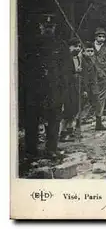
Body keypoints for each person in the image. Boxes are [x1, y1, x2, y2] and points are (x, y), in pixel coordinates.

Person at [22, 13, 64, 160]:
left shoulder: (60, 45)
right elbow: (22, 68)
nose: (48, 29)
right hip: (35, 90)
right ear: (40, 27)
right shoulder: (30, 45)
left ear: (55, 28)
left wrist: (63, 90)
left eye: (51, 27)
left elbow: (66, 69)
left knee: (54, 119)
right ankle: (31, 151)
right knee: (32, 120)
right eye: (45, 26)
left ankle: (51, 149)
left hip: (54, 90)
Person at [60, 37, 83, 142]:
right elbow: (65, 74)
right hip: (66, 87)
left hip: (74, 87)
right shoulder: (66, 58)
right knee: (67, 110)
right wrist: (75, 73)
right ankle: (63, 133)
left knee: (73, 109)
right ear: (70, 47)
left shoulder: (77, 58)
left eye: (79, 46)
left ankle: (70, 131)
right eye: (75, 46)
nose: (78, 49)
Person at [93, 28, 106, 131]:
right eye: (99, 36)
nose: (101, 39)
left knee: (102, 98)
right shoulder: (90, 47)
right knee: (89, 98)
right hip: (92, 76)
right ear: (95, 37)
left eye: (103, 37)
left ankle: (98, 122)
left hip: (103, 76)